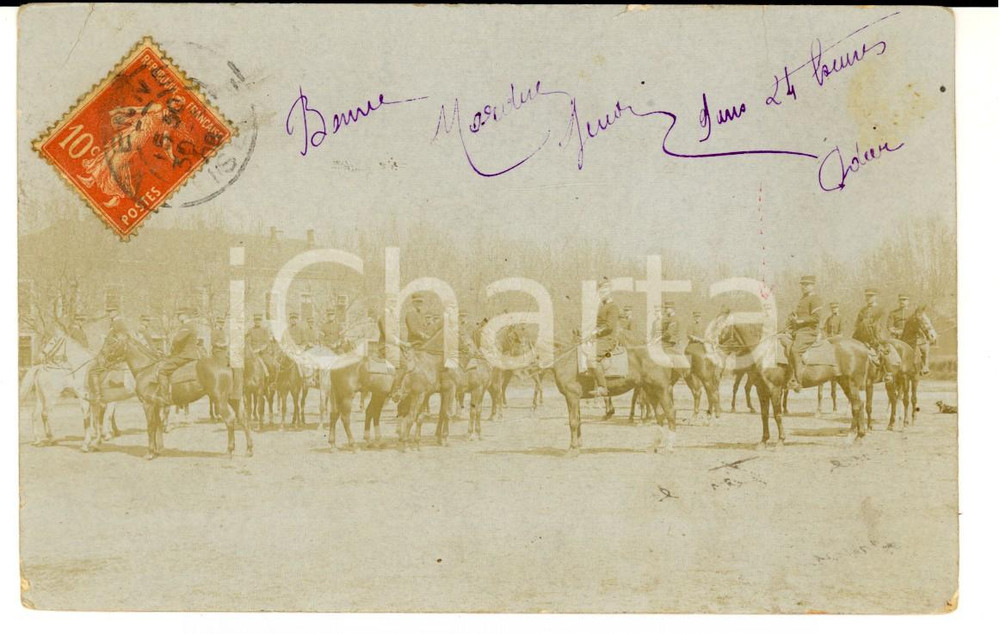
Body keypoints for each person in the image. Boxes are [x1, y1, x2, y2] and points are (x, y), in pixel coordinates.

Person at [155, 307, 200, 405]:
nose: (178, 317)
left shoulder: (187, 326)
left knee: (162, 370)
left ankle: (164, 397)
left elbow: (177, 340)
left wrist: (172, 349)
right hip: (189, 355)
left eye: (180, 314)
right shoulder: (191, 325)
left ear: (185, 315)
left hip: (185, 355)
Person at [786, 275, 823, 392]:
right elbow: (798, 315)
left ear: (813, 285)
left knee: (795, 350)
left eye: (807, 284)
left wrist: (800, 321)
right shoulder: (802, 299)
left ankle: (798, 381)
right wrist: (791, 320)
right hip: (799, 331)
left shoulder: (815, 299)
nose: (804, 287)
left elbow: (816, 318)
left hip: (809, 332)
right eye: (802, 284)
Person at [591, 279, 619, 398]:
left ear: (610, 291)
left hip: (608, 339)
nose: (602, 294)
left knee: (592, 357)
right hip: (600, 338)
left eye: (604, 291)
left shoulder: (613, 307)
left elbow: (609, 326)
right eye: (600, 292)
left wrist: (596, 331)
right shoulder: (602, 306)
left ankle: (602, 387)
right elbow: (599, 323)